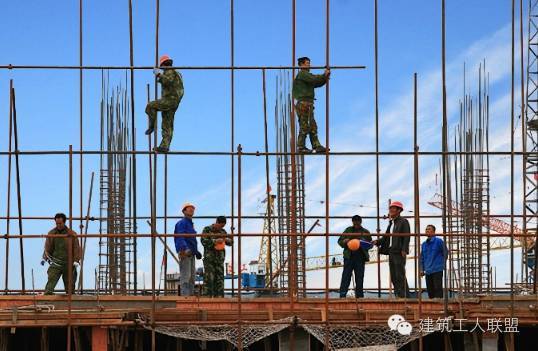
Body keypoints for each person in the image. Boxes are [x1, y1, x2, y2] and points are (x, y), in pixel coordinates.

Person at [145, 54, 184, 153]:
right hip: (174, 102)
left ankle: (152, 126)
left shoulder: (170, 72)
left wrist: (159, 75)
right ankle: (164, 146)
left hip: (170, 100)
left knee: (150, 106)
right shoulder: (177, 73)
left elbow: (167, 81)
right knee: (167, 124)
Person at [292, 56, 330, 153]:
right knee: (304, 126)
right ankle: (301, 147)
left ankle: (316, 146)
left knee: (312, 126)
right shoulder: (302, 74)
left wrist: (325, 77)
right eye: (307, 63)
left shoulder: (307, 76)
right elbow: (314, 79)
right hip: (303, 104)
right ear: (301, 65)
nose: (309, 65)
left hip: (308, 104)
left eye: (309, 63)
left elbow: (317, 83)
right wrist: (324, 75)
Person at [374, 201, 410, 298]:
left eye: (393, 208)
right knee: (394, 276)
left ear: (399, 210)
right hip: (391, 252)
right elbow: (386, 237)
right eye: (390, 208)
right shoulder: (391, 223)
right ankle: (398, 295)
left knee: (400, 275)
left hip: (399, 252)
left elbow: (407, 236)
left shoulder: (403, 221)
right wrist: (377, 242)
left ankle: (405, 296)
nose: (391, 210)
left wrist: (404, 249)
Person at [42, 213, 81, 295]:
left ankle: (71, 299)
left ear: (64, 222)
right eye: (57, 223)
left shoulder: (71, 234)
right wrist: (44, 258)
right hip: (56, 262)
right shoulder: (52, 233)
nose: (58, 225)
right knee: (51, 278)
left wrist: (76, 260)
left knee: (70, 284)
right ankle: (47, 297)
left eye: (60, 223)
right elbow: (47, 247)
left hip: (69, 263)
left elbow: (76, 248)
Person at [337, 215, 372, 298]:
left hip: (360, 256)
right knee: (346, 275)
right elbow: (340, 241)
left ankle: (359, 295)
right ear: (352, 221)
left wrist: (364, 243)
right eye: (354, 221)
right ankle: (342, 294)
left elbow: (370, 245)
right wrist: (345, 241)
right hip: (349, 256)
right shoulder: (348, 230)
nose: (356, 222)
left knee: (359, 276)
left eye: (357, 221)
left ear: (360, 221)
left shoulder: (366, 232)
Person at [174, 203, 202, 296]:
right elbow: (180, 237)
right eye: (189, 209)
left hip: (191, 253)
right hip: (185, 252)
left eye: (192, 209)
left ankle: (190, 297)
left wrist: (196, 251)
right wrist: (185, 249)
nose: (191, 210)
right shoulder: (182, 223)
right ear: (184, 211)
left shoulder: (190, 224)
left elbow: (192, 240)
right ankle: (185, 298)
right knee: (186, 277)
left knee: (192, 278)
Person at [201, 216, 233, 297]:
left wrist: (227, 240)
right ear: (216, 222)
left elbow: (230, 243)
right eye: (220, 225)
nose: (221, 227)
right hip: (209, 260)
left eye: (223, 226)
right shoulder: (207, 229)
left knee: (220, 281)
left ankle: (219, 300)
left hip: (220, 260)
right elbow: (203, 241)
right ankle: (207, 301)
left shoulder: (223, 231)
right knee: (209, 281)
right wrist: (215, 241)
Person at [419, 224, 448, 298]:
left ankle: (440, 306)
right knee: (430, 290)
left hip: (437, 269)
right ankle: (433, 306)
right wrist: (421, 269)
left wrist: (441, 264)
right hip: (428, 271)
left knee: (438, 289)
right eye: (426, 229)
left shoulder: (439, 241)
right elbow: (421, 258)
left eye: (429, 229)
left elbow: (445, 252)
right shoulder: (424, 244)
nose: (427, 230)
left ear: (434, 232)